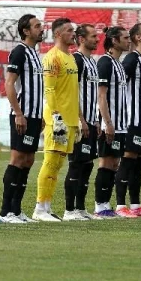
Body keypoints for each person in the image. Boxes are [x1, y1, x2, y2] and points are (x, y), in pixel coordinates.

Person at [0, 13, 44, 224]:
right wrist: (18, 113)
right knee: (17, 159)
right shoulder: (19, 52)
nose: (41, 29)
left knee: (28, 160)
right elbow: (9, 84)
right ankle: (5, 212)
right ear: (26, 31)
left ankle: (17, 211)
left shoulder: (35, 54)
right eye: (37, 26)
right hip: (22, 115)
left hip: (34, 116)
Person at [34, 18, 79, 222]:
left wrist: (76, 119)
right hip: (58, 120)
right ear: (59, 34)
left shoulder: (70, 57)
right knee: (51, 162)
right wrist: (56, 116)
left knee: (58, 164)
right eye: (70, 30)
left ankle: (47, 206)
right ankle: (39, 208)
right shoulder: (52, 58)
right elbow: (49, 89)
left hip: (69, 120)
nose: (73, 33)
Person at [115, 23, 141, 218]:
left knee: (138, 164)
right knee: (128, 161)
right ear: (138, 38)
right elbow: (120, 87)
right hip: (131, 121)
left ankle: (136, 205)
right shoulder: (131, 60)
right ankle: (120, 206)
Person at [62, 23, 100, 221]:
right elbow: (72, 92)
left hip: (92, 121)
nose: (97, 39)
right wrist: (80, 119)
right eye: (93, 36)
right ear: (82, 39)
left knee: (88, 164)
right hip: (80, 122)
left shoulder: (92, 61)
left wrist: (96, 120)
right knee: (76, 163)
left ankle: (81, 208)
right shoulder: (76, 60)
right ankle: (69, 210)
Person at [94, 26, 129, 218]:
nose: (128, 40)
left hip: (121, 124)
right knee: (106, 162)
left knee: (114, 163)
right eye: (125, 37)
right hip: (111, 123)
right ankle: (101, 206)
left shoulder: (119, 64)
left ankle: (106, 205)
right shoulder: (105, 63)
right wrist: (107, 122)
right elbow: (101, 96)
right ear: (114, 41)